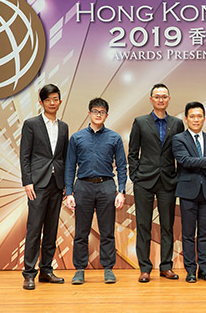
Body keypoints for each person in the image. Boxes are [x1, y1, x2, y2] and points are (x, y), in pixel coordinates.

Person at [64, 98, 127, 285]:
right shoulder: (77, 137)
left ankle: (108, 269)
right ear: (89, 113)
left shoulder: (114, 138)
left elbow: (122, 166)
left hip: (107, 186)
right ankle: (80, 270)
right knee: (81, 232)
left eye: (102, 112)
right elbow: (69, 166)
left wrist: (121, 191)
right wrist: (69, 192)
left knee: (107, 231)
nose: (98, 114)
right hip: (83, 187)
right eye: (95, 111)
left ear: (107, 115)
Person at [128, 83, 185, 283]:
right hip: (144, 180)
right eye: (157, 96)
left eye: (164, 96)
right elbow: (133, 152)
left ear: (169, 99)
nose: (161, 99)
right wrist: (134, 175)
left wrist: (177, 176)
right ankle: (145, 267)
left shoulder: (177, 124)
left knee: (167, 226)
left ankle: (166, 266)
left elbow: (181, 153)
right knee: (143, 225)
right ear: (151, 99)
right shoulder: (140, 122)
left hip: (168, 181)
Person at [20, 84, 69, 290]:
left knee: (51, 229)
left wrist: (67, 183)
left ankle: (46, 270)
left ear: (59, 101)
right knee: (34, 229)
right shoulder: (31, 124)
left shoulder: (64, 126)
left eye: (55, 99)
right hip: (37, 184)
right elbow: (25, 155)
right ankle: (29, 273)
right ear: (41, 102)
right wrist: (27, 181)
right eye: (48, 99)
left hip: (57, 184)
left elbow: (64, 157)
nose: (52, 103)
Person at [172, 102, 206, 283]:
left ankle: (204, 269)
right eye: (192, 116)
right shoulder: (179, 139)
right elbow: (185, 161)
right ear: (186, 118)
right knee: (188, 234)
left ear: (204, 118)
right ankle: (190, 270)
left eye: (199, 116)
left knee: (205, 233)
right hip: (188, 192)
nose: (196, 119)